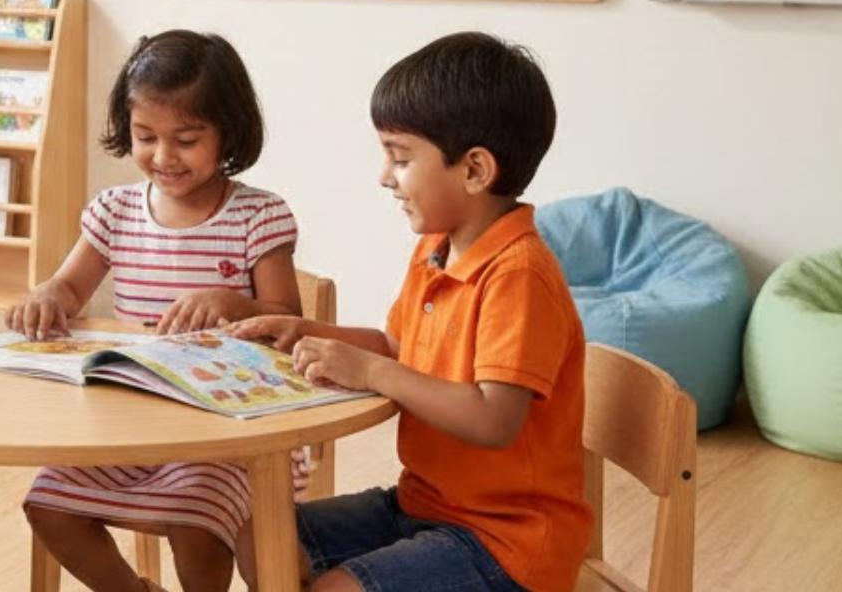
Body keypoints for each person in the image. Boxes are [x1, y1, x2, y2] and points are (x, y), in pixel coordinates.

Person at [226, 31, 589, 592]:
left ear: (474, 170)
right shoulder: (437, 247)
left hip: (507, 543)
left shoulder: (519, 275)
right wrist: (307, 331)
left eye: (400, 157)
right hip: (425, 503)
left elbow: (494, 419)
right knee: (260, 536)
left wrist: (371, 372)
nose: (384, 175)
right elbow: (401, 350)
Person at [9, 30, 304, 592]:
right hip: (131, 430)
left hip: (229, 439)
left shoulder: (257, 218)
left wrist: (233, 304)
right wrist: (48, 293)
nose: (163, 157)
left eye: (187, 139)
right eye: (146, 136)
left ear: (228, 133)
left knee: (194, 518)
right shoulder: (115, 211)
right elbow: (68, 290)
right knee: (47, 503)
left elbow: (285, 319)